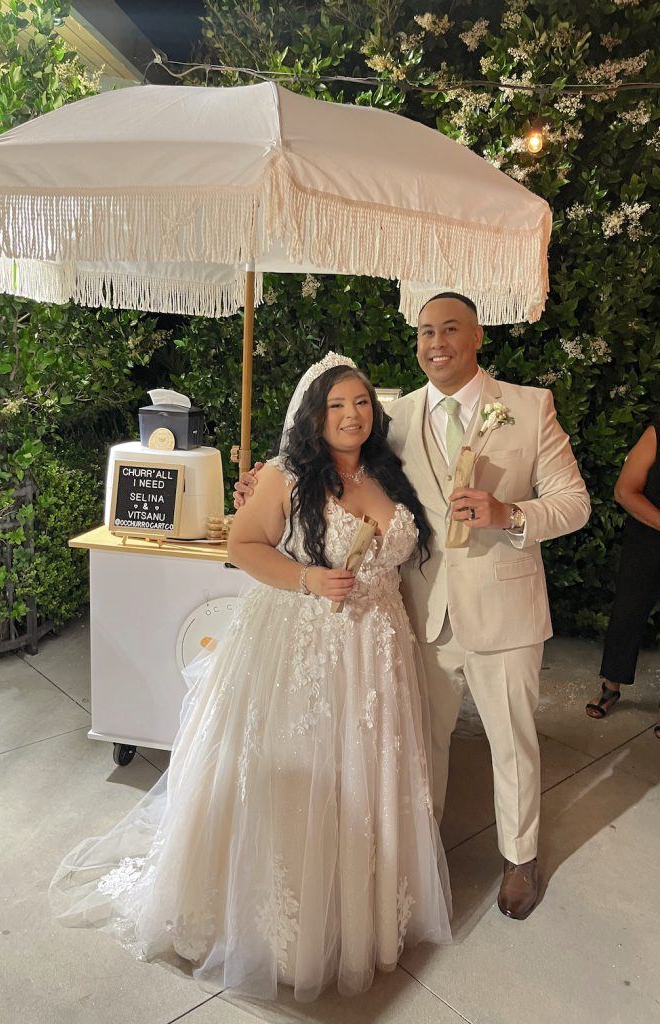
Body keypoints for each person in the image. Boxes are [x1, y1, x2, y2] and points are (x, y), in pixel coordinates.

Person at [51, 353, 451, 1003]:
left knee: (366, 771)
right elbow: (244, 546)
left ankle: (362, 907)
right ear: (314, 416)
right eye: (337, 405)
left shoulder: (385, 471)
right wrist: (308, 577)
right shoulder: (288, 476)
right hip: (307, 640)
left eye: (360, 403)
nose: (352, 415)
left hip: (376, 648)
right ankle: (286, 927)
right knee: (306, 771)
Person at [236, 293, 590, 921]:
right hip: (417, 612)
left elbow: (574, 503)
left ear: (477, 335)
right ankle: (419, 852)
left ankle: (520, 857)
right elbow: (333, 459)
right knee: (417, 743)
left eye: (450, 328)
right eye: (425, 331)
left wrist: (510, 514)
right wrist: (262, 484)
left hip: (504, 611)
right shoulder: (395, 414)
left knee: (512, 741)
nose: (436, 342)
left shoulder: (530, 407)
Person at [585, 423, 660, 738]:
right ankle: (611, 686)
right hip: (648, 540)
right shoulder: (657, 433)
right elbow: (624, 491)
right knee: (627, 614)